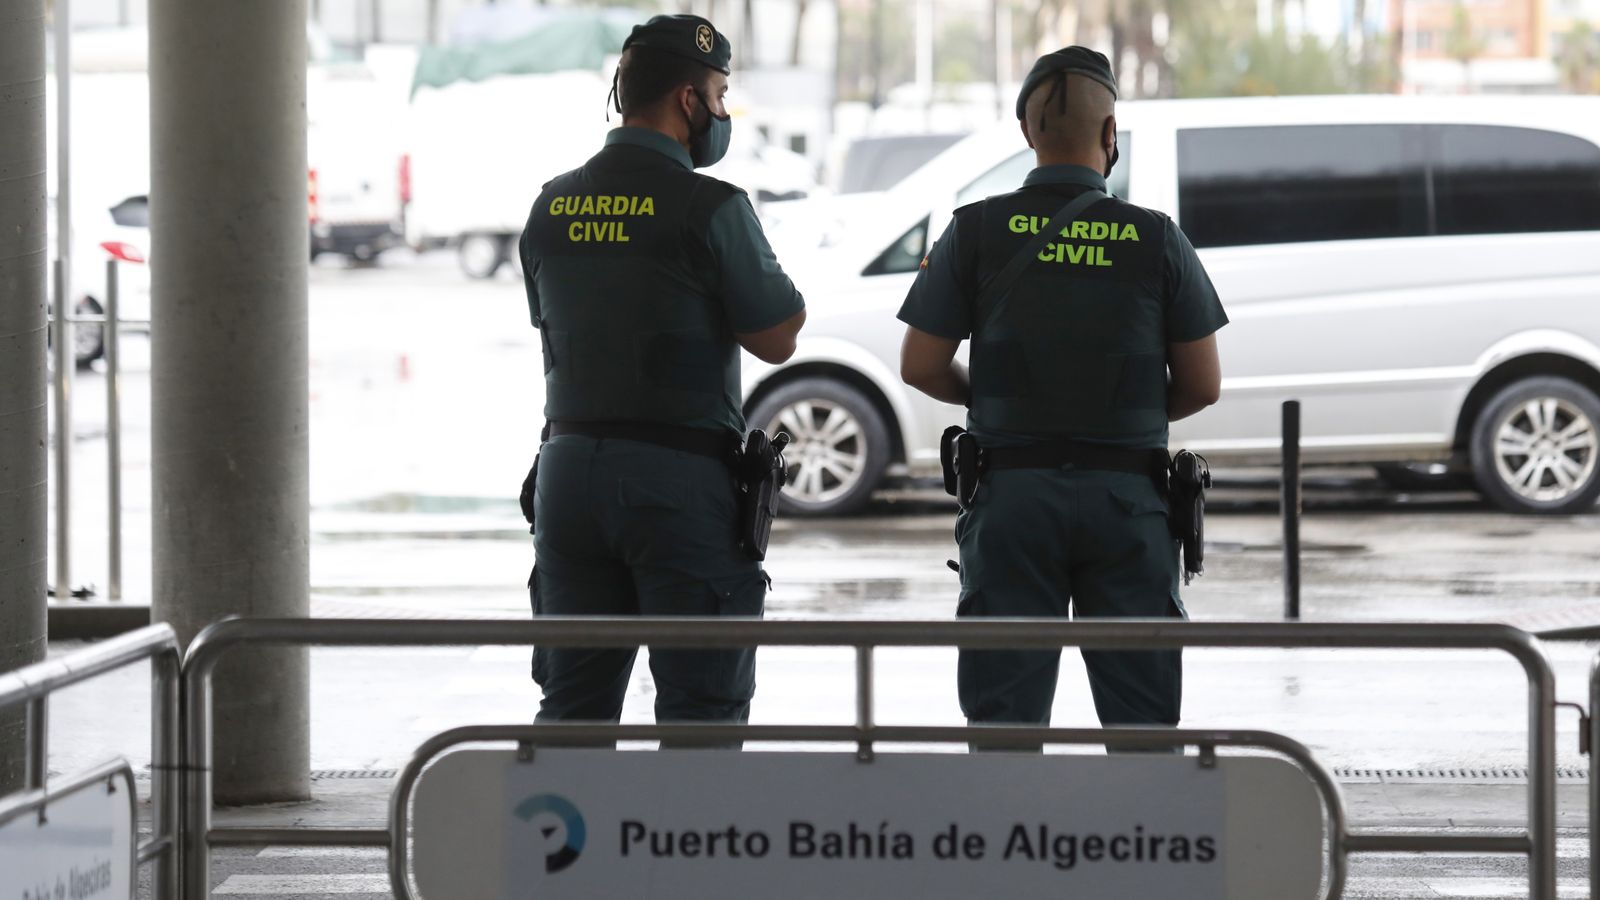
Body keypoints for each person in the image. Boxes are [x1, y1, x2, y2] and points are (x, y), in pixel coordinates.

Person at [896, 47, 1226, 745]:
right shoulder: (1155, 238)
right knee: (1142, 730)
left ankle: (1010, 846)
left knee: (1004, 727)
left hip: (1012, 501)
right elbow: (1202, 385)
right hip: (1128, 504)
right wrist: (1115, 413)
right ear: (1110, 137)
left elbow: (921, 364)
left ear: (1027, 132)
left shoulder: (976, 230)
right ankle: (1137, 848)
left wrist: (989, 401)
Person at [517, 14, 806, 738]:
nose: (721, 112)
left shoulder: (552, 204)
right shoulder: (711, 207)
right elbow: (777, 337)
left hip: (567, 477)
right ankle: (682, 851)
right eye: (719, 94)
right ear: (687, 101)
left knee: (572, 708)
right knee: (702, 715)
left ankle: (572, 851)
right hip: (677, 484)